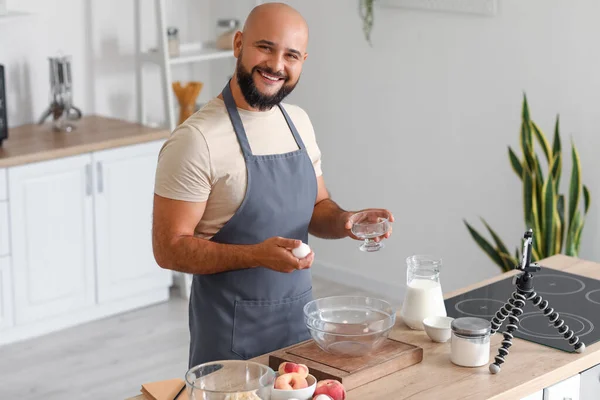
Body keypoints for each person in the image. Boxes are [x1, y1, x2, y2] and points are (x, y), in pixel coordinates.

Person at [151, 2, 394, 368]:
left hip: (301, 332)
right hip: (231, 342)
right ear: (238, 45)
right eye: (265, 47)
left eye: (291, 55)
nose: (277, 65)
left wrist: (347, 220)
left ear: (302, 61)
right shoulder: (196, 140)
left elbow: (317, 207)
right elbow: (168, 249)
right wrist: (253, 255)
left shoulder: (298, 123)